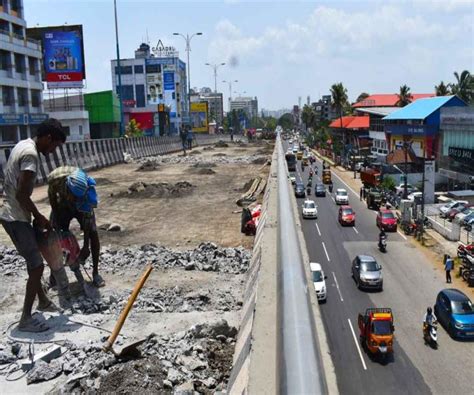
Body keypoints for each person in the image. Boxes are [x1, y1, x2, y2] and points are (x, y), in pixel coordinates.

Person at [0, 119, 67, 332]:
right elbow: (21, 194)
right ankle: (25, 319)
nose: (54, 150)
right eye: (55, 145)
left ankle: (43, 301)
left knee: (34, 260)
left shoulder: (23, 144)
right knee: (37, 265)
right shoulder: (30, 156)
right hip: (14, 216)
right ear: (48, 138)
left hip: (13, 213)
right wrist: (39, 216)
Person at [47, 166, 104, 288]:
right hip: (61, 203)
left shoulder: (87, 195)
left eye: (75, 198)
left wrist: (85, 246)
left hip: (81, 205)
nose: (73, 199)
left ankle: (96, 273)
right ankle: (54, 275)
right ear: (67, 187)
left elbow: (88, 222)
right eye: (72, 196)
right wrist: (58, 228)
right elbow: (52, 199)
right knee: (53, 236)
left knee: (94, 234)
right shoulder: (55, 179)